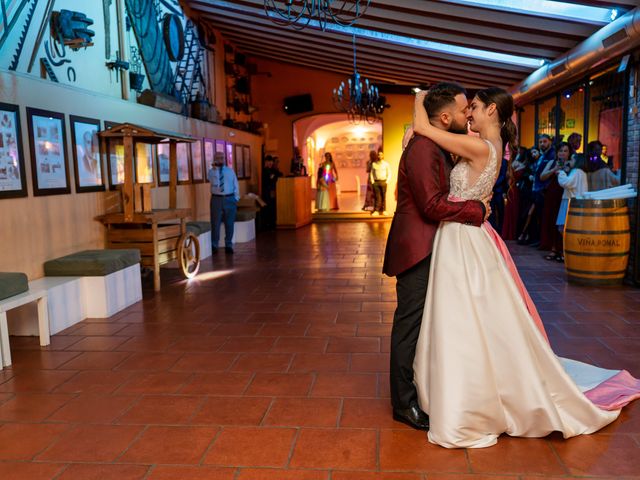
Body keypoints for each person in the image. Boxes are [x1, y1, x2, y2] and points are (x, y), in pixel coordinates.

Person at [410, 86, 640, 448]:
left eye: (474, 108)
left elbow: (424, 130)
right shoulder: (488, 145)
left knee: (463, 314)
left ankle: (469, 396)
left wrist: (419, 98)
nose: (468, 113)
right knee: (472, 315)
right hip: (464, 235)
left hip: (463, 239)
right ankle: (470, 383)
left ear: (491, 111)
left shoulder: (481, 146)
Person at [383, 83, 487, 431]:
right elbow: (430, 205)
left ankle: (423, 390)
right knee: (409, 325)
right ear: (445, 118)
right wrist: (477, 210)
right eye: (462, 111)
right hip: (417, 247)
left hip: (429, 244)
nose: (467, 116)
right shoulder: (424, 149)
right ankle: (403, 404)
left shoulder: (433, 144)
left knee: (422, 323)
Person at [539, 141, 571, 260]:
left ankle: (563, 250)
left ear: (569, 153)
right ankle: (553, 248)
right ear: (557, 152)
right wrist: (554, 169)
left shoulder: (572, 163)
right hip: (552, 194)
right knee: (551, 220)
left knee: (563, 222)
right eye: (560, 151)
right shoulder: (552, 162)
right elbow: (542, 176)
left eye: (565, 151)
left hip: (564, 194)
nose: (562, 153)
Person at [556, 152, 588, 254]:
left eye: (573, 159)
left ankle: (569, 251)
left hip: (570, 201)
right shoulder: (582, 172)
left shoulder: (576, 171)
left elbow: (567, 183)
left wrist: (561, 173)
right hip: (576, 201)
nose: (570, 161)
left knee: (565, 227)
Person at [208, 151, 239, 254]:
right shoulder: (211, 172)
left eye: (222, 157)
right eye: (218, 157)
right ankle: (214, 245)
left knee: (229, 223)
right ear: (214, 159)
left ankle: (228, 244)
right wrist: (216, 168)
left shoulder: (230, 171)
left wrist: (236, 198)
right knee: (215, 223)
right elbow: (214, 182)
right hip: (216, 199)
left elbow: (236, 185)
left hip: (229, 199)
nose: (220, 159)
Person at [370, 149, 391, 216]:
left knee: (383, 196)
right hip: (376, 182)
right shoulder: (374, 164)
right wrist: (373, 182)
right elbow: (371, 173)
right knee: (377, 197)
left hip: (383, 182)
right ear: (377, 155)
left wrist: (387, 181)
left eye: (381, 154)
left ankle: (384, 210)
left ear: (383, 155)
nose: (380, 156)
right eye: (378, 154)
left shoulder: (386, 164)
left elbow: (389, 173)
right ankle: (376, 210)